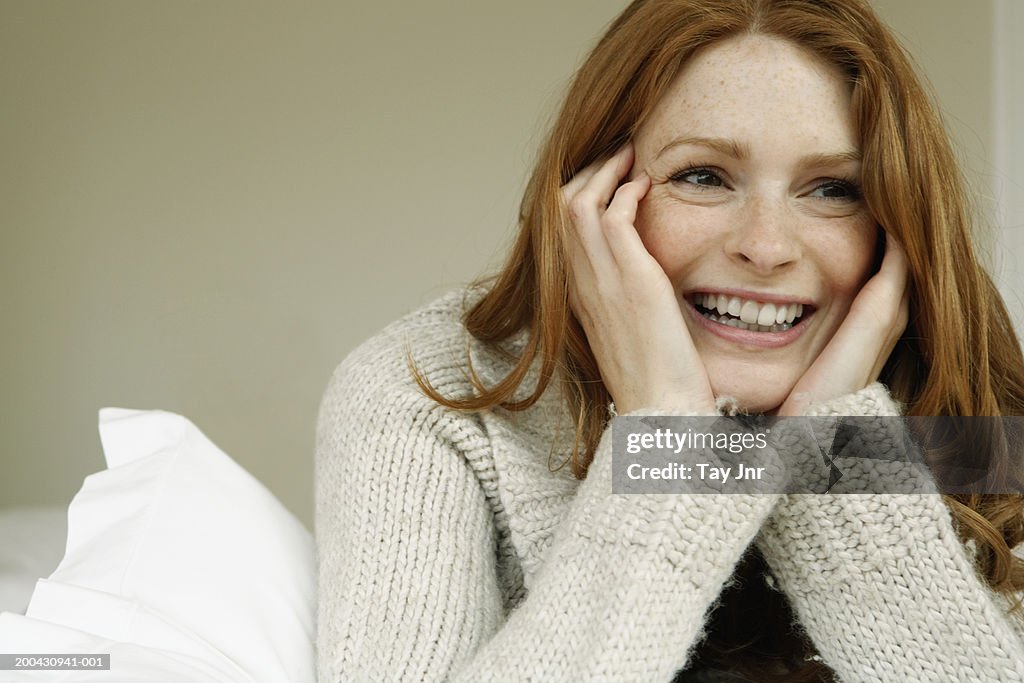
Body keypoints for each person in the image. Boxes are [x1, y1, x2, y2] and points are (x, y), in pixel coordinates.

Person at [315, 0, 1024, 680]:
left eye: (833, 188)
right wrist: (670, 438)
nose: (768, 246)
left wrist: (826, 453)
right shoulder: (429, 394)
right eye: (704, 176)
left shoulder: (971, 395)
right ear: (591, 199)